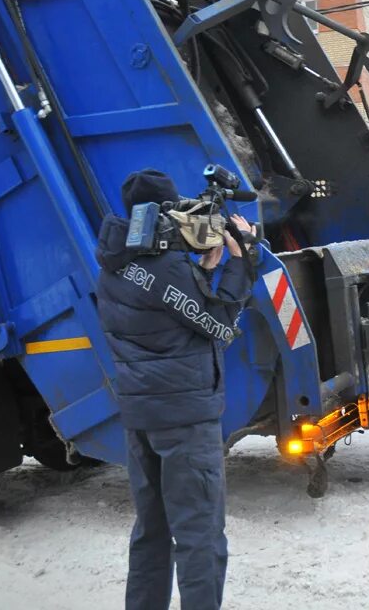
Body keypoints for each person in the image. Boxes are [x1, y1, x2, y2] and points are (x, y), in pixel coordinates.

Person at [95, 169, 256, 609]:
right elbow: (217, 326)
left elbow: (168, 315)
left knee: (151, 533)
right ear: (167, 209)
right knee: (199, 536)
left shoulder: (114, 266)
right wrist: (242, 260)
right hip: (185, 421)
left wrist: (202, 274)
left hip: (141, 421)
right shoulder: (164, 268)